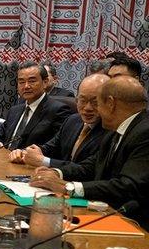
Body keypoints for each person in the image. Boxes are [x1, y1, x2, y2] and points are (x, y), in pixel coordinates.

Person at [29, 76, 149, 228]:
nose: (92, 109)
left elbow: (127, 186)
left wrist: (68, 187)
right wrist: (56, 173)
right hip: (106, 214)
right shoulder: (117, 129)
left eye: (97, 103)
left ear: (111, 103)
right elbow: (91, 166)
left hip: (136, 226)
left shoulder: (145, 132)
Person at [9, 74, 110, 167]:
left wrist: (43, 161)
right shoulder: (72, 120)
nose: (88, 108)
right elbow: (49, 148)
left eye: (95, 102)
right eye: (82, 100)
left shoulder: (110, 130)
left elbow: (86, 169)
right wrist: (24, 153)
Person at [0, 62, 73, 149]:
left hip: (29, 161)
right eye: (21, 82)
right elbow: (0, 136)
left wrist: (24, 154)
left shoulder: (58, 110)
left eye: (32, 81)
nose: (26, 86)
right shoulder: (14, 110)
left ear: (45, 82)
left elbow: (56, 147)